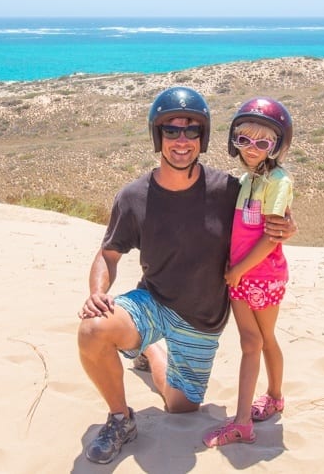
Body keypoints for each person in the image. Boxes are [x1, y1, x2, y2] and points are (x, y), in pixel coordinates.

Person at [77, 87, 297, 464]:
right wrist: (98, 290)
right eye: (171, 130)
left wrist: (284, 227)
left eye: (191, 130)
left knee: (180, 407)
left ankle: (149, 348)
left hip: (202, 319)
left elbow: (263, 224)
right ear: (157, 136)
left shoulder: (227, 190)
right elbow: (108, 253)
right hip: (153, 301)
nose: (182, 140)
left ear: (204, 137)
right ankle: (120, 417)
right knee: (92, 328)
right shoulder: (133, 197)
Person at [203, 97, 294, 447]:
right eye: (244, 140)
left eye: (262, 142)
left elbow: (272, 238)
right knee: (254, 340)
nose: (252, 148)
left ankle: (254, 411)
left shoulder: (277, 181)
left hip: (261, 276)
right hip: (240, 277)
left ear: (276, 145)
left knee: (260, 340)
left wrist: (237, 270)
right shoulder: (246, 180)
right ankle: (265, 403)